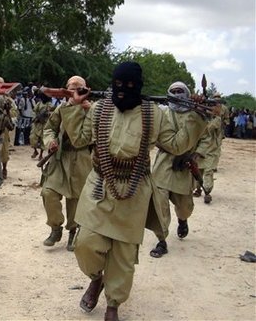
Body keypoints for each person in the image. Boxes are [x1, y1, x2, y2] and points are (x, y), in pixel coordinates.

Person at [58, 62, 210, 321]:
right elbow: (81, 139)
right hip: (100, 185)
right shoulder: (100, 108)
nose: (122, 91)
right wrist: (73, 106)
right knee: (85, 245)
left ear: (138, 87)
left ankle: (113, 305)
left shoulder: (153, 113)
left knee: (124, 255)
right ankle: (96, 279)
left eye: (129, 86)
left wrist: (196, 117)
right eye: (117, 85)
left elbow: (175, 144)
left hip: (134, 189)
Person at [149, 82, 206, 258]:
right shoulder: (163, 112)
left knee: (185, 207)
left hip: (184, 167)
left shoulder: (195, 115)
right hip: (163, 164)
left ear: (187, 94)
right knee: (160, 205)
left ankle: (183, 220)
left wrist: (194, 156)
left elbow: (205, 139)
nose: (176, 94)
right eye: (172, 92)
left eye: (180, 91)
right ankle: (161, 240)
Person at [41, 76, 92, 251]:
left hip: (81, 159)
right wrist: (50, 141)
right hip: (60, 158)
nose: (74, 91)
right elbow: (49, 128)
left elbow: (85, 138)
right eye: (71, 87)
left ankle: (73, 231)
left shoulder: (90, 110)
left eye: (78, 88)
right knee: (48, 192)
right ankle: (56, 228)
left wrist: (82, 109)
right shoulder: (61, 108)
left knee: (75, 199)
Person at [193, 115, 221, 204]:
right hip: (200, 149)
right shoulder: (199, 116)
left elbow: (210, 129)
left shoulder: (216, 119)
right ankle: (198, 189)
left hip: (211, 149)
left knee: (208, 171)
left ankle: (207, 191)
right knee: (198, 170)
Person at [29, 92, 52, 161]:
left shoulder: (49, 104)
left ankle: (41, 155)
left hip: (44, 124)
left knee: (42, 139)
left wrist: (46, 114)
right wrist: (35, 117)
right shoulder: (39, 103)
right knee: (32, 138)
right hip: (37, 123)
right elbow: (34, 111)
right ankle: (35, 151)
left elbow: (50, 113)